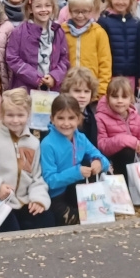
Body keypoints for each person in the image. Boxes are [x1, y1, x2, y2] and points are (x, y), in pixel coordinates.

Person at [0, 88, 54, 231]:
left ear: (28, 115)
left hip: (25, 201)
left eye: (20, 115)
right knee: (13, 234)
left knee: (48, 224)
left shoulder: (33, 143)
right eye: (10, 115)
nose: (15, 120)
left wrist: (38, 199)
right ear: (2, 114)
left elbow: (36, 178)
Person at [40, 95, 107, 224]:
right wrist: (77, 172)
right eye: (60, 118)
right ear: (52, 119)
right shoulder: (47, 144)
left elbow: (102, 158)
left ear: (78, 118)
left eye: (71, 118)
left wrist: (99, 162)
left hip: (76, 190)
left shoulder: (80, 138)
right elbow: (49, 181)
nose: (66, 123)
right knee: (73, 220)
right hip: (56, 195)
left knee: (95, 217)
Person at [5, 0, 69, 92]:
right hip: (24, 90)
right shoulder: (19, 32)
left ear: (53, 7)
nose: (43, 10)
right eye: (38, 6)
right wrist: (35, 77)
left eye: (47, 5)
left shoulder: (58, 31)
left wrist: (55, 77)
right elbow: (12, 58)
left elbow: (64, 59)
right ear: (30, 9)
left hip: (52, 90)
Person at [95, 75, 140, 181]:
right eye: (115, 97)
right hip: (112, 161)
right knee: (126, 152)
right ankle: (125, 185)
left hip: (134, 161)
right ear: (107, 98)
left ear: (131, 98)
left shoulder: (136, 117)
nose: (120, 101)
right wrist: (124, 140)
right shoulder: (100, 117)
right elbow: (101, 145)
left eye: (124, 97)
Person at [62, 0, 112, 98]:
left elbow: (105, 64)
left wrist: (101, 91)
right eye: (76, 11)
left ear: (91, 11)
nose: (80, 16)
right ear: (69, 10)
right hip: (67, 91)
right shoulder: (62, 31)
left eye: (84, 11)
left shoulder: (99, 32)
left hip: (91, 92)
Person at [99, 0, 140, 90]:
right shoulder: (104, 21)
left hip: (131, 75)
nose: (120, 2)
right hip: (111, 75)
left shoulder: (136, 22)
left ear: (131, 0)